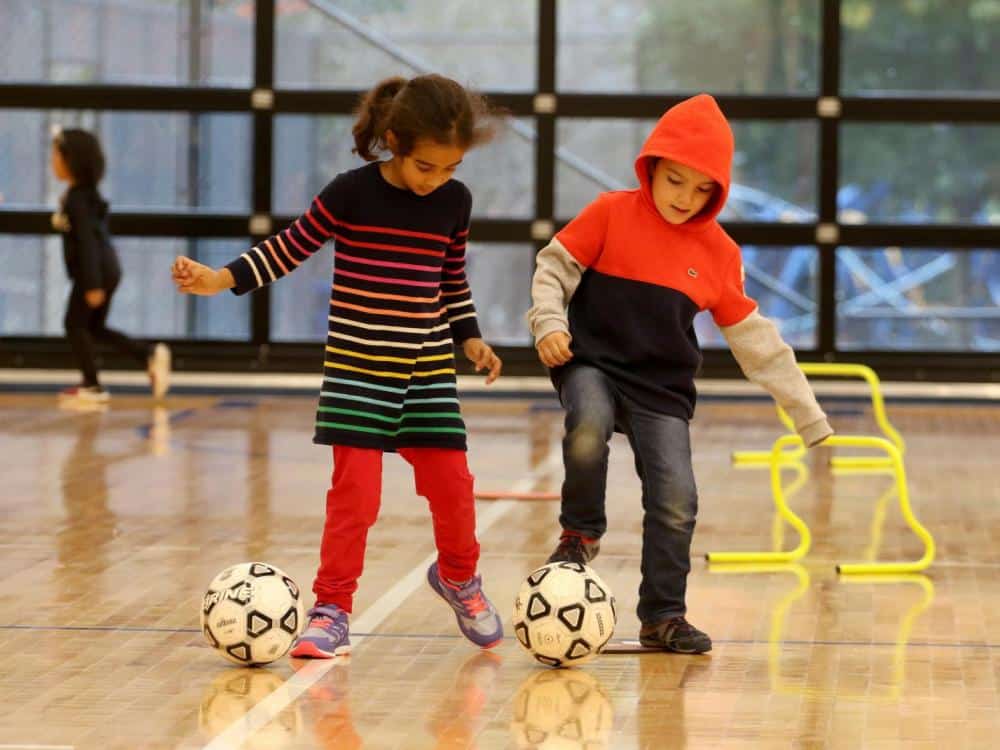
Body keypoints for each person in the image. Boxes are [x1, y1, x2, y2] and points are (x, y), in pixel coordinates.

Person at [172, 74, 505, 658]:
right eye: (426, 166)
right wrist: (221, 279)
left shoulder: (456, 201)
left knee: (453, 487)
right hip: (357, 370)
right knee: (356, 498)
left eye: (450, 168)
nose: (436, 180)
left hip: (425, 370)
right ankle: (331, 609)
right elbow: (290, 246)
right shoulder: (350, 193)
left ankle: (459, 577)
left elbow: (451, 277)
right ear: (395, 141)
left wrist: (470, 338)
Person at [527, 94, 833, 654]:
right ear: (651, 166)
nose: (685, 198)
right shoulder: (610, 212)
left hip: (661, 388)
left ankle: (663, 615)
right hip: (593, 363)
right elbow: (553, 266)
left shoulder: (719, 253)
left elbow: (759, 344)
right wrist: (547, 321)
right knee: (588, 422)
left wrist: (807, 415)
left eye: (702, 190)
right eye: (675, 181)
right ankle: (580, 534)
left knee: (676, 501)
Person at [51, 127, 171, 404]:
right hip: (107, 269)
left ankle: (92, 385)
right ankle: (148, 355)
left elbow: (87, 242)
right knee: (93, 327)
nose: (52, 162)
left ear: (72, 160)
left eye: (56, 156)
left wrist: (92, 284)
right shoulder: (84, 195)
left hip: (94, 272)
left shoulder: (77, 199)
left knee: (74, 324)